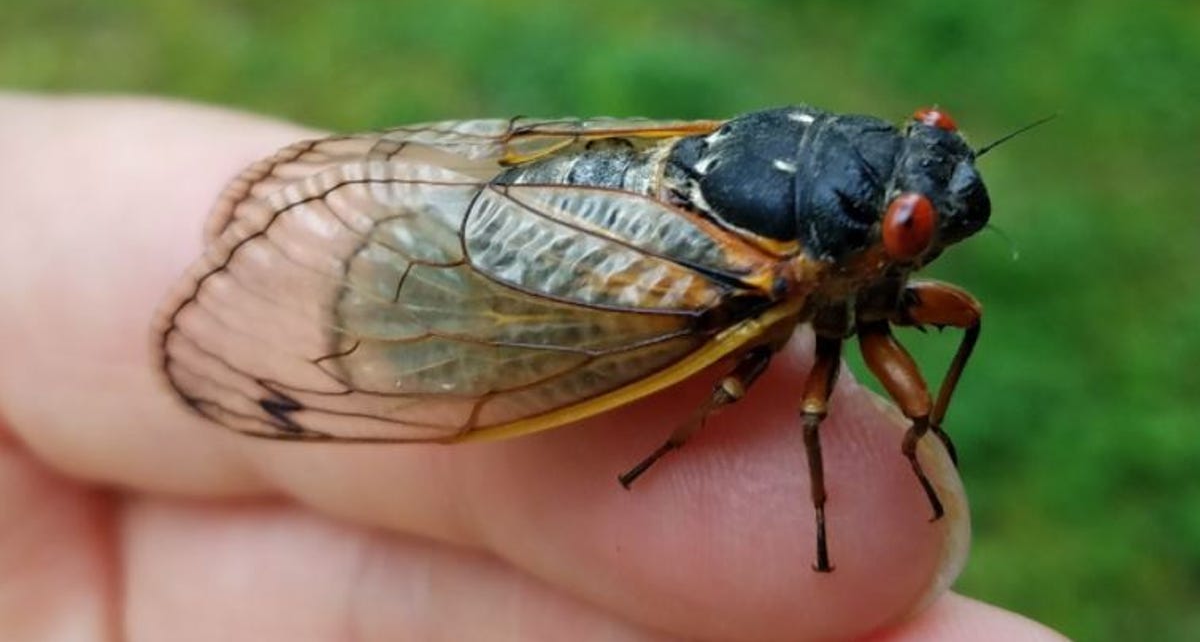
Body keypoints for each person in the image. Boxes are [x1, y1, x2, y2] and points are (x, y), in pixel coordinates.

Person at [0, 93, 1065, 641]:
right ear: (883, 232)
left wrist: (922, 426)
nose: (931, 223)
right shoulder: (794, 274)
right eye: (917, 221)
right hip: (576, 281)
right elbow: (795, 410)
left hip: (616, 177)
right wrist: (692, 429)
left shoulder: (857, 237)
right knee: (753, 399)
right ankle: (386, 271)